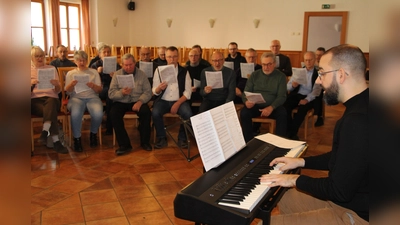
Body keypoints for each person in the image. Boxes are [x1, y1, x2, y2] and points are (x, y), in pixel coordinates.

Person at [260, 44, 369, 225]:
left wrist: (294, 179)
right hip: (352, 198)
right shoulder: (364, 104)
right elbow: (345, 157)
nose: (318, 81)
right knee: (286, 199)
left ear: (341, 74)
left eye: (322, 73)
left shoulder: (357, 121)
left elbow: (338, 190)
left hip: (359, 214)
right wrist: (302, 161)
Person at [109, 53, 153, 155]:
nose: (128, 67)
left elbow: (148, 92)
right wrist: (121, 93)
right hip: (122, 101)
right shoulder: (117, 74)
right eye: (126, 65)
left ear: (135, 63)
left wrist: (140, 101)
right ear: (122, 65)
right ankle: (124, 145)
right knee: (114, 114)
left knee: (146, 112)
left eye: (131, 65)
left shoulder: (142, 74)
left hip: (138, 100)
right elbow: (111, 94)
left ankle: (145, 142)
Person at [240, 52, 287, 142]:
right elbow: (245, 92)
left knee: (283, 114)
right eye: (264, 64)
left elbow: (282, 96)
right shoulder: (254, 75)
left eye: (269, 64)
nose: (266, 67)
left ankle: (280, 142)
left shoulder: (280, 76)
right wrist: (246, 101)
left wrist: (271, 107)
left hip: (273, 106)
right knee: (244, 113)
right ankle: (248, 141)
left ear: (274, 64)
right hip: (255, 105)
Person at [152, 46, 193, 149]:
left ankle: (182, 138)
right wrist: (159, 89)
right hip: (163, 100)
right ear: (165, 57)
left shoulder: (184, 71)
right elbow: (154, 90)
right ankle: (162, 138)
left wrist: (178, 103)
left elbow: (188, 92)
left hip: (179, 100)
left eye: (174, 57)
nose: (172, 59)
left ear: (178, 57)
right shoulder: (158, 70)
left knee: (188, 113)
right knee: (155, 113)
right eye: (169, 57)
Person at [31, 46, 68, 154]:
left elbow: (58, 91)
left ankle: (45, 131)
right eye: (36, 56)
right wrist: (30, 84)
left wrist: (57, 85)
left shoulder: (51, 68)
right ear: (31, 58)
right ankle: (56, 142)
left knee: (51, 102)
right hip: (35, 100)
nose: (39, 58)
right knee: (51, 113)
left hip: (51, 98)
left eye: (41, 56)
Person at [65, 50, 103, 152]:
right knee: (76, 114)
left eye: (84, 60)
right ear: (75, 61)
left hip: (92, 97)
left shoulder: (93, 72)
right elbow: (67, 92)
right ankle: (77, 138)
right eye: (79, 60)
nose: (82, 63)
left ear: (87, 60)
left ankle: (93, 134)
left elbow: (99, 90)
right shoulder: (71, 73)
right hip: (76, 98)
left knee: (98, 113)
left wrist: (93, 86)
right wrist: (71, 85)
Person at [284, 51, 321, 140]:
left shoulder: (318, 74)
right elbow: (287, 87)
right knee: (285, 106)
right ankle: (289, 130)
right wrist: (293, 85)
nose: (308, 62)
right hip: (297, 95)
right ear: (304, 61)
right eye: (306, 60)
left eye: (310, 60)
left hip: (310, 97)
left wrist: (307, 99)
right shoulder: (298, 72)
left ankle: (292, 133)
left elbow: (316, 91)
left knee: (302, 110)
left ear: (315, 60)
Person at [91, 44, 121, 135]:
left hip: (112, 88)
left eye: (108, 52)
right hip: (100, 88)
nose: (107, 54)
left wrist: (115, 76)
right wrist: (97, 72)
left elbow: (122, 78)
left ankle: (109, 125)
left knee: (111, 97)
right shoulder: (95, 64)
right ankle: (109, 125)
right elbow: (89, 79)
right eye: (104, 52)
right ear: (100, 54)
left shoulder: (115, 64)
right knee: (110, 95)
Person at [185, 48, 209, 114]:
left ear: (199, 56)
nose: (193, 58)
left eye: (195, 55)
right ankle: (188, 122)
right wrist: (189, 88)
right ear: (188, 57)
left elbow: (208, 82)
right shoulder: (185, 69)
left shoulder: (205, 68)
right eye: (191, 56)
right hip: (190, 92)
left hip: (201, 92)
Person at [314, 47, 326, 127]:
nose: (318, 57)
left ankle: (319, 116)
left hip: (321, 84)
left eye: (320, 55)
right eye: (317, 55)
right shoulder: (313, 62)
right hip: (311, 83)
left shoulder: (326, 64)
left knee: (318, 94)